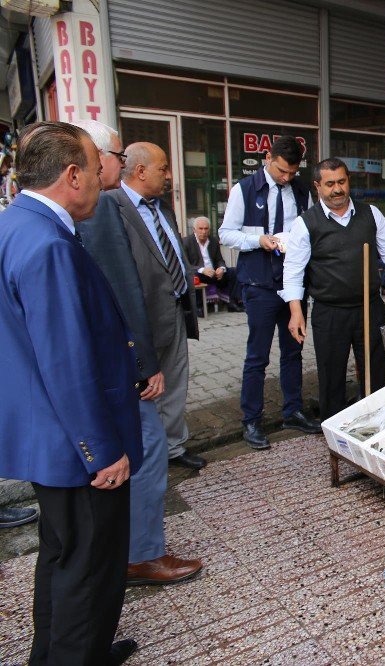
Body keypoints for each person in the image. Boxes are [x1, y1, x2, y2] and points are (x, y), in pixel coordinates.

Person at [0, 121, 140, 665]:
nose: (107, 180)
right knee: (88, 567)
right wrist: (101, 452)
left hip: (46, 436)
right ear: (73, 173)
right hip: (75, 445)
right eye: (97, 167)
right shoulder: (49, 243)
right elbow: (67, 363)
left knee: (61, 557)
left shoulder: (15, 224)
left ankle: (57, 655)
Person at [74, 120, 203, 586]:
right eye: (105, 159)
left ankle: (132, 547)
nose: (168, 176)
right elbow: (125, 290)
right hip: (131, 350)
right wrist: (143, 363)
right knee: (145, 448)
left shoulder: (153, 207)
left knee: (154, 438)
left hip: (160, 330)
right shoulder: (105, 209)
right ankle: (142, 554)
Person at [284, 158, 385, 419]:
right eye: (330, 184)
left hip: (369, 307)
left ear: (348, 181)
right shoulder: (305, 223)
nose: (337, 189)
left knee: (376, 370)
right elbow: (293, 270)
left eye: (341, 182)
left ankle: (380, 422)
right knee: (331, 373)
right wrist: (295, 311)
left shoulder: (371, 214)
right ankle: (335, 430)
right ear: (318, 186)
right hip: (329, 312)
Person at [220, 135, 321, 450]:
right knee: (257, 356)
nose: (286, 178)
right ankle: (252, 420)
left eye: (291, 173)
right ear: (267, 157)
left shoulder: (303, 191)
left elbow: (309, 232)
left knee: (293, 352)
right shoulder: (244, 189)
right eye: (281, 171)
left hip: (294, 286)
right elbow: (226, 233)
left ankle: (293, 411)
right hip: (260, 285)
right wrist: (258, 241)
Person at [112, 143, 206, 471]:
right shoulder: (111, 206)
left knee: (175, 383)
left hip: (177, 310)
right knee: (145, 390)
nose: (169, 175)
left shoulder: (162, 207)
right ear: (140, 171)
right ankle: (147, 454)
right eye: (163, 168)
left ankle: (174, 447)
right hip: (141, 319)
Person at [183, 216, 242, 312]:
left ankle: (232, 303)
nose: (203, 231)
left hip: (214, 273)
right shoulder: (186, 242)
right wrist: (202, 270)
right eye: (200, 229)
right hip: (199, 273)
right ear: (194, 230)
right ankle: (199, 306)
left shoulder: (213, 241)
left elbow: (219, 259)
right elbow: (186, 264)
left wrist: (221, 268)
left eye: (206, 229)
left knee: (233, 272)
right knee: (193, 276)